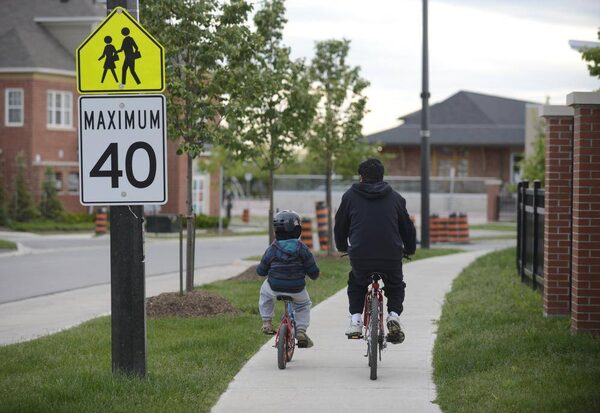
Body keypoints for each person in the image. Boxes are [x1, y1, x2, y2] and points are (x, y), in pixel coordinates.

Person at [334, 158, 416, 344]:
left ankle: (356, 321)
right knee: (395, 285)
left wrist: (342, 246)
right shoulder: (396, 198)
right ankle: (393, 316)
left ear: (361, 177)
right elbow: (407, 228)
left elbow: (340, 226)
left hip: (360, 254)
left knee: (357, 283)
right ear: (382, 176)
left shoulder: (349, 196)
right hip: (390, 255)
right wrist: (409, 249)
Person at [257, 210, 320, 348]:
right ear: (298, 230)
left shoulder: (272, 249)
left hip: (274, 286)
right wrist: (313, 275)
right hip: (297, 288)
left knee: (265, 294)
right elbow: (313, 272)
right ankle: (301, 331)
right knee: (303, 305)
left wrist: (264, 270)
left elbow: (261, 271)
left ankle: (267, 322)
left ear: (276, 231)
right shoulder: (302, 249)